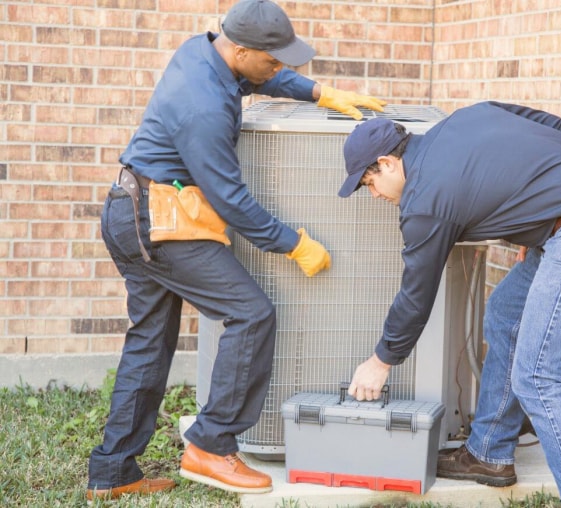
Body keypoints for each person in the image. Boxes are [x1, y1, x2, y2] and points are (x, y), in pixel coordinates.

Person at [87, 0, 386, 502]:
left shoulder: (205, 53)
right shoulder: (203, 103)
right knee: (251, 314)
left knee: (150, 343)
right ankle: (210, 445)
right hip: (157, 221)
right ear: (242, 48)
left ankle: (113, 472)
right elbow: (231, 200)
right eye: (273, 59)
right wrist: (294, 244)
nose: (280, 68)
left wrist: (319, 92)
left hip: (134, 208)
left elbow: (258, 80)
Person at [338, 101, 561, 508]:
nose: (374, 194)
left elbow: (416, 293)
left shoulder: (425, 199)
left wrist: (381, 362)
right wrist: (543, 209)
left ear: (387, 163)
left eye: (368, 183)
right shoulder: (467, 118)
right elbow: (555, 124)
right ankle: (489, 453)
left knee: (542, 379)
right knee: (506, 313)